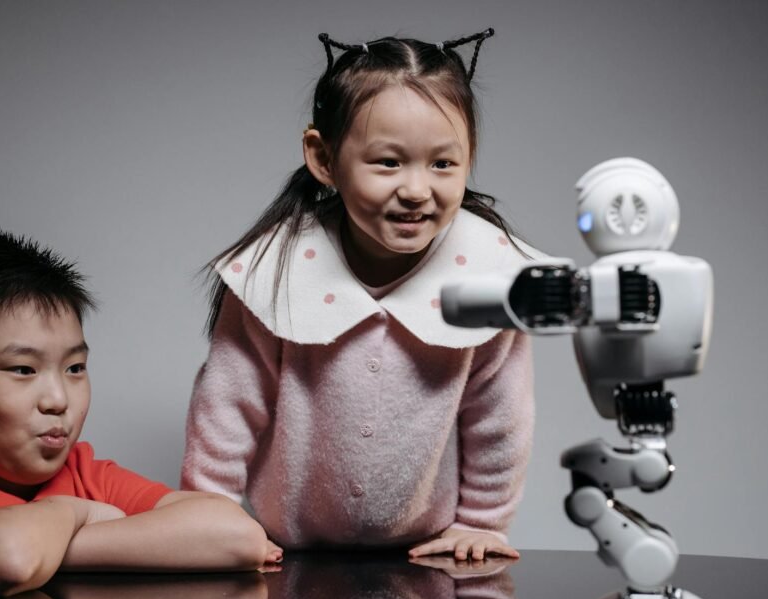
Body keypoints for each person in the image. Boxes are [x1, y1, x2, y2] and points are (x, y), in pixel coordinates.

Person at [181, 31, 541, 561]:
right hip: (283, 554)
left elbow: (500, 414)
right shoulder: (274, 270)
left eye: (443, 163)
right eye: (388, 162)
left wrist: (483, 525)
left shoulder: (491, 275)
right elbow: (228, 405)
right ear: (323, 158)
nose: (417, 189)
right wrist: (209, 513)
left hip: (430, 558)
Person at [0, 229, 275, 596]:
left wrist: (59, 546)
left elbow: (237, 536)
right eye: (23, 369)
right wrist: (73, 513)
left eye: (75, 368)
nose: (59, 399)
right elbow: (8, 559)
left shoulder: (88, 476)